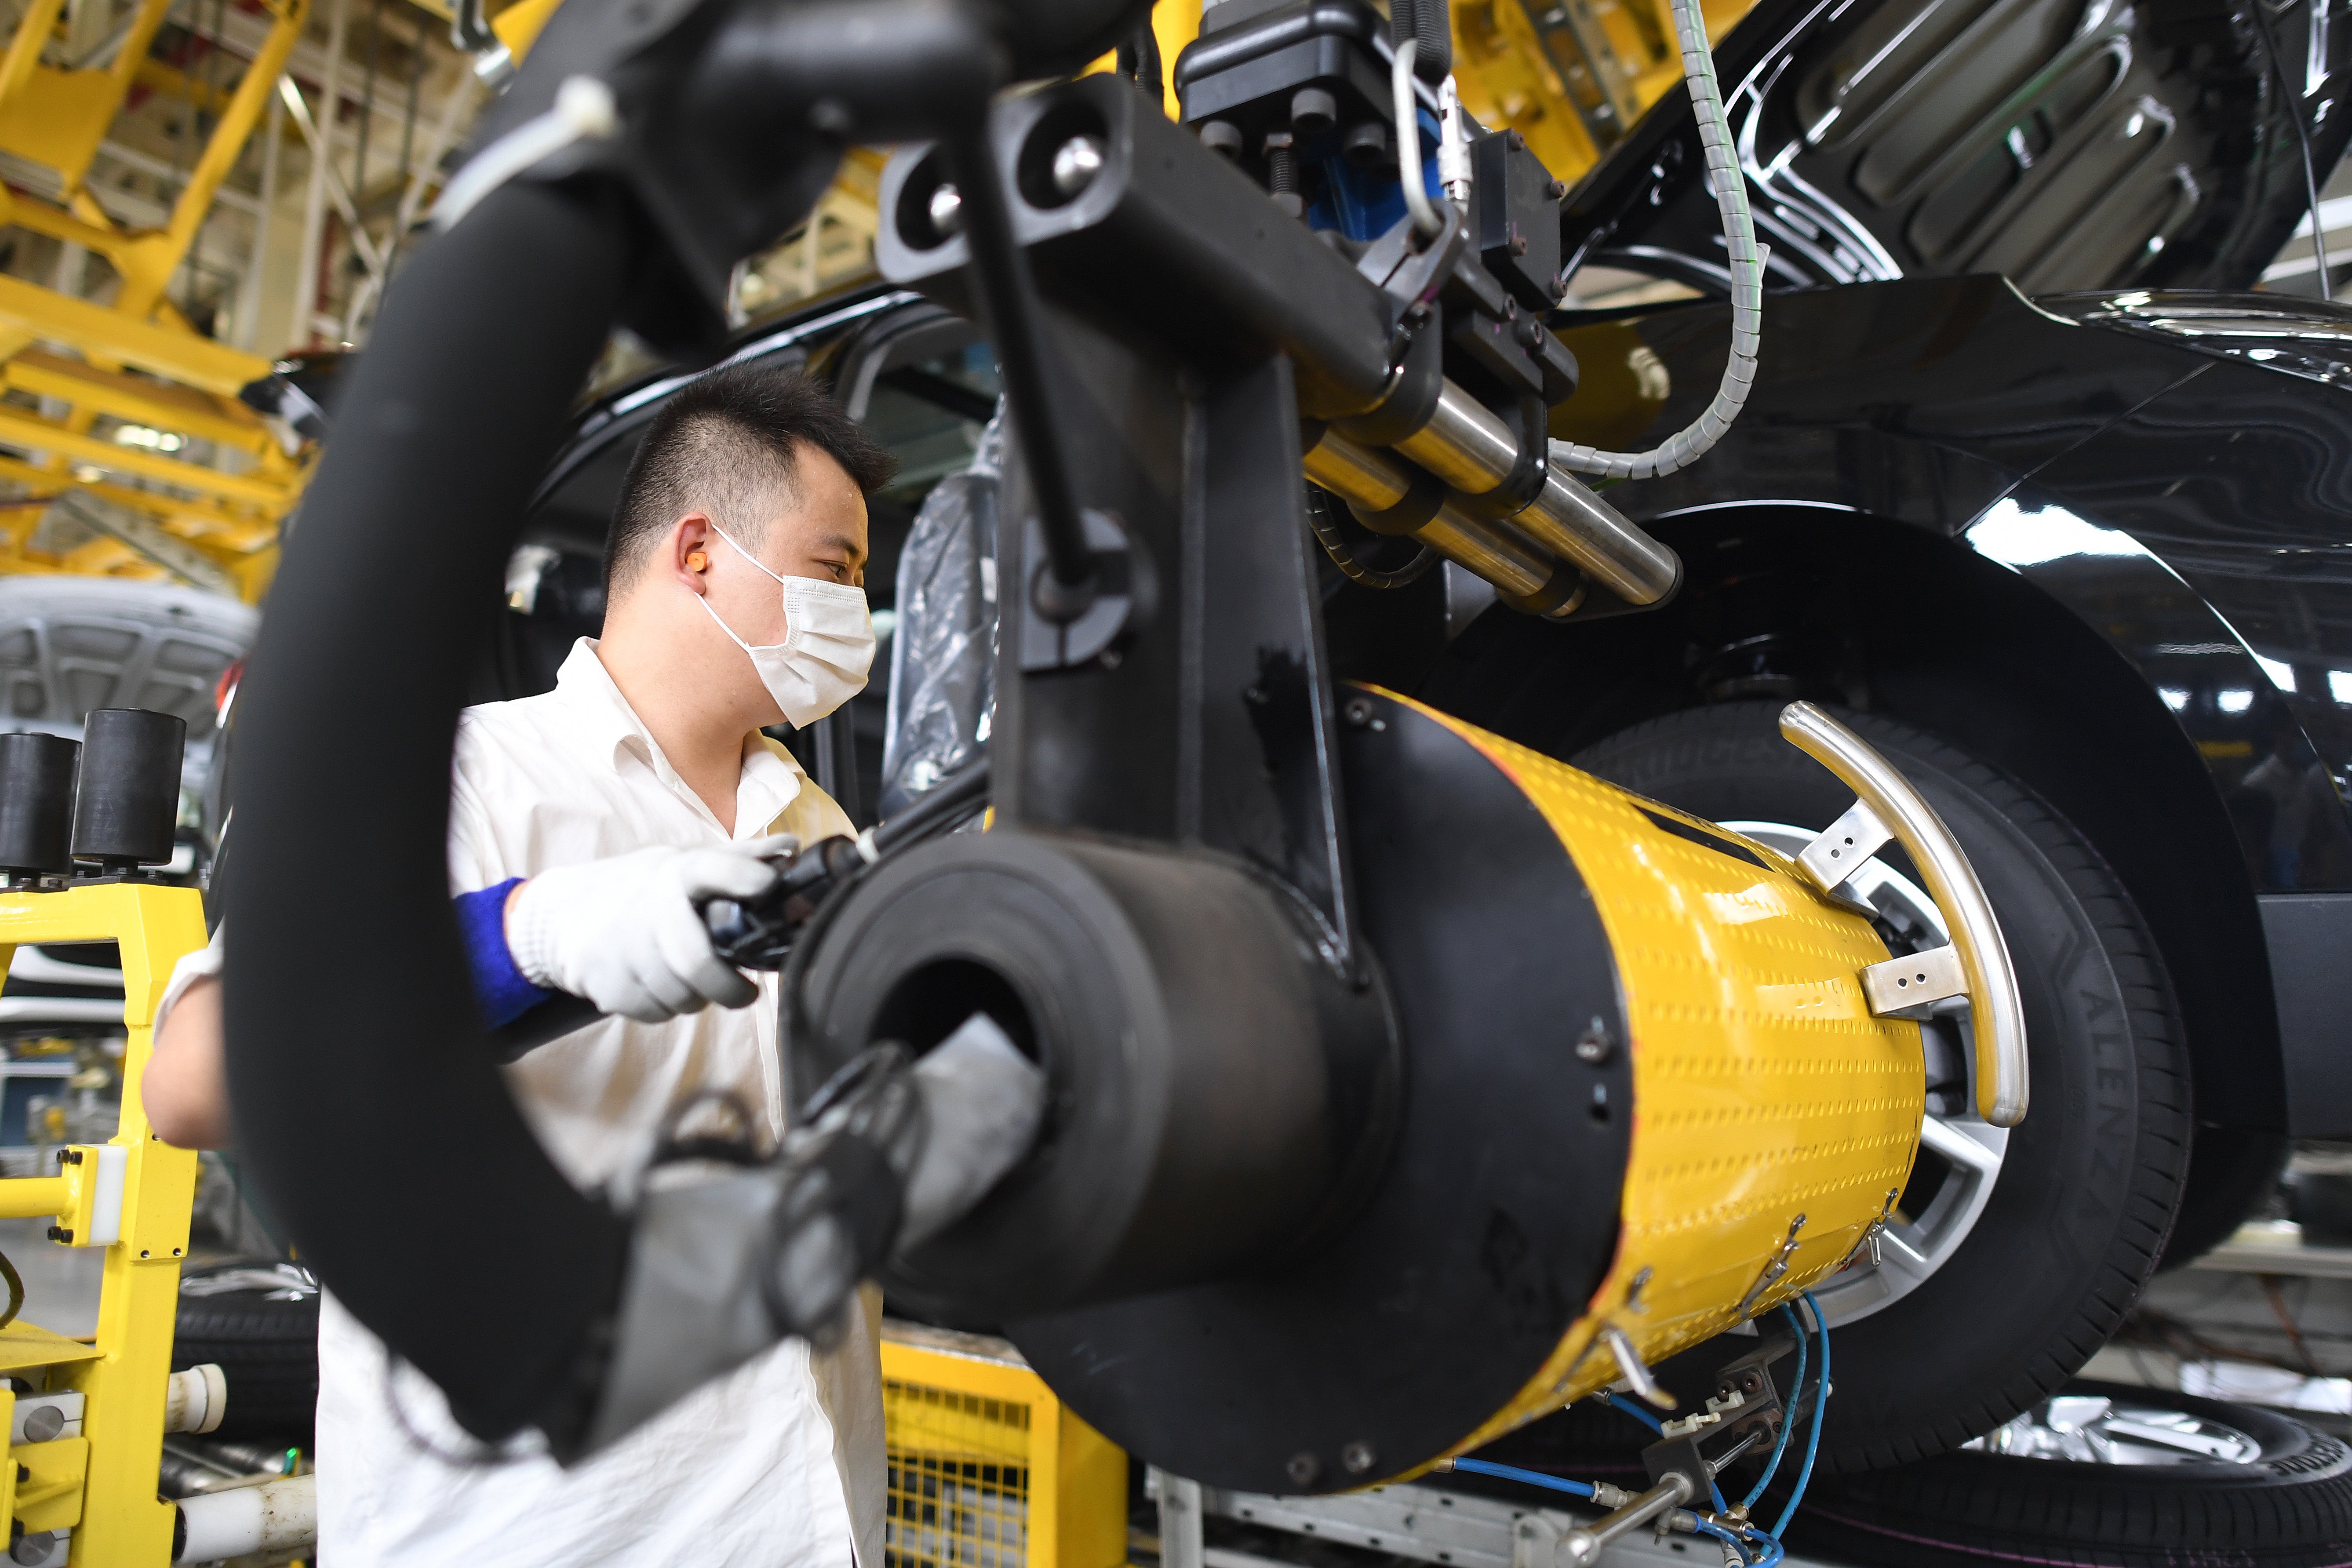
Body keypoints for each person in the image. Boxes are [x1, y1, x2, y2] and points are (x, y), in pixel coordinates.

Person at [146, 360, 901, 1567]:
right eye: (834, 573)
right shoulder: (455, 780)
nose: (851, 619)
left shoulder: (822, 831)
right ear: (700, 553)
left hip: (806, 1522)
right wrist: (530, 935)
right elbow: (192, 1082)